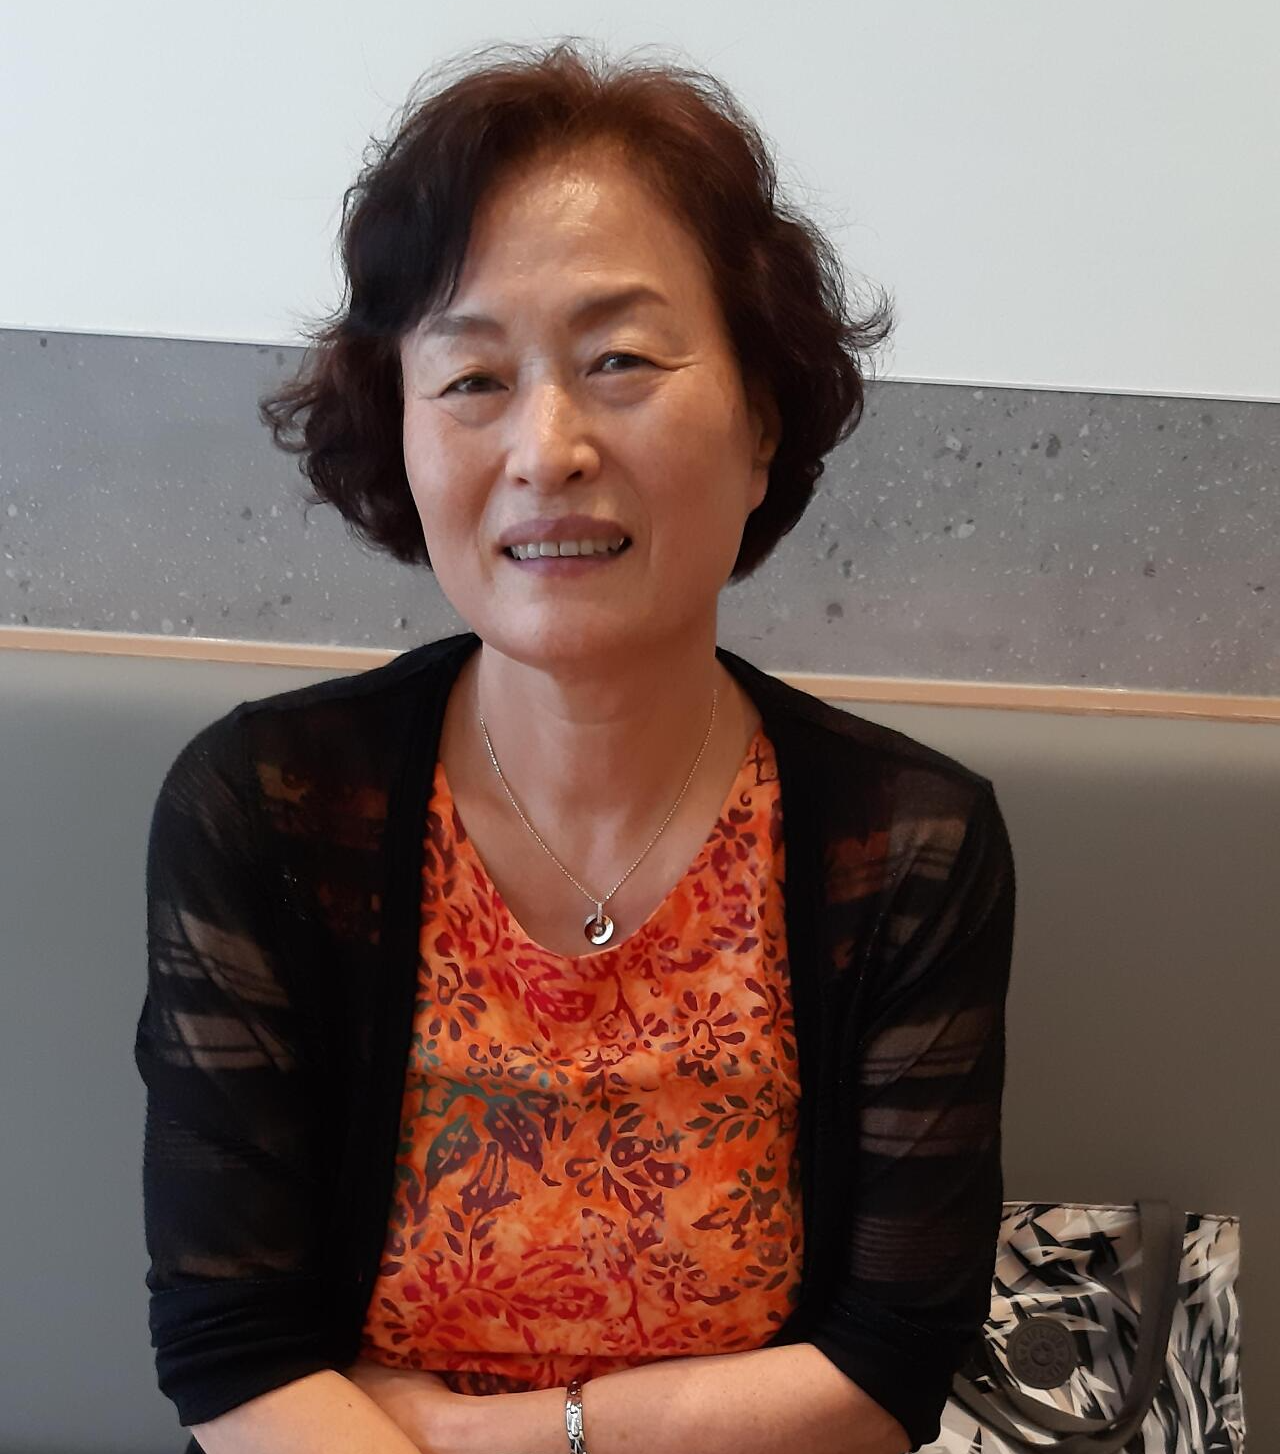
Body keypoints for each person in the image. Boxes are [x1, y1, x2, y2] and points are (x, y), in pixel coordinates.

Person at [135, 37, 1016, 1454]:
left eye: (618, 360)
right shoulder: (268, 811)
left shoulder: (904, 844)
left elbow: (886, 1368)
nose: (546, 447)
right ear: (401, 428)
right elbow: (233, 1356)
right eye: (472, 378)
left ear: (761, 418)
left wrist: (507, 1436)